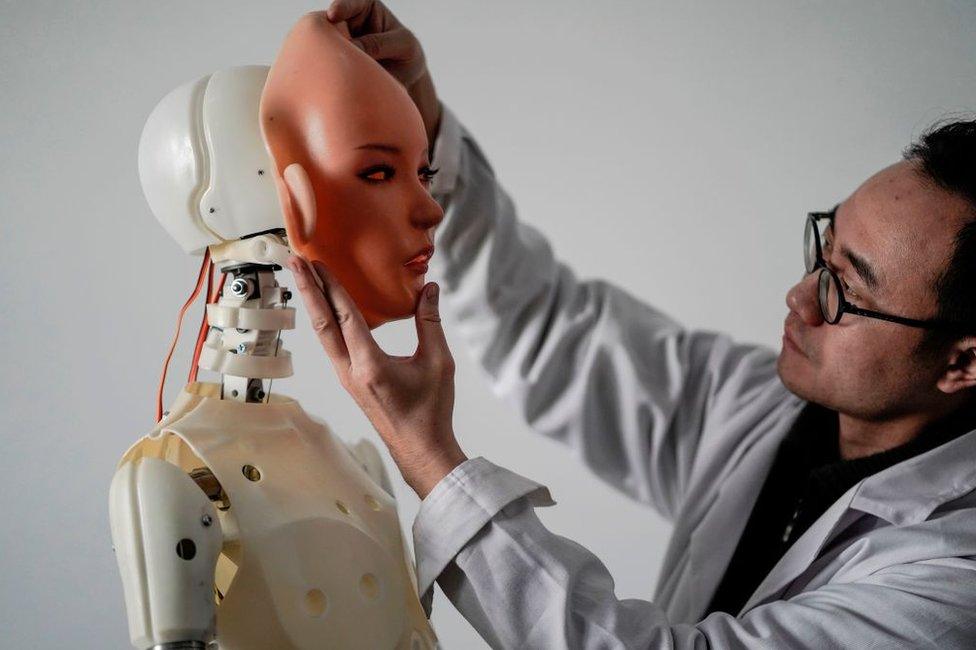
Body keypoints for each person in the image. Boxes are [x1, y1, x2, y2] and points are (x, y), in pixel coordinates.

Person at [286, 1, 976, 647]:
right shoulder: (759, 407)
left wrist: (427, 458)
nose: (798, 298)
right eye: (819, 251)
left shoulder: (952, 578)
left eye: (841, 289)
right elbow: (552, 330)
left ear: (962, 363)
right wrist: (423, 122)